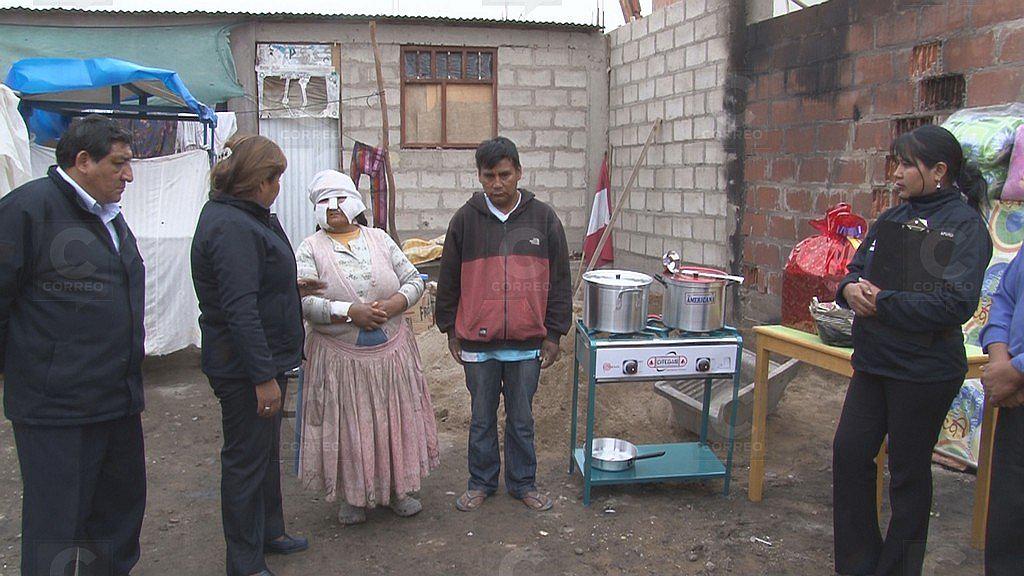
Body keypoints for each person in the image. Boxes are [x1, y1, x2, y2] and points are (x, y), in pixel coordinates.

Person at [832, 124, 992, 576]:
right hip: (875, 363)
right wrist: (849, 290)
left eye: (906, 164)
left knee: (907, 473)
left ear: (939, 171)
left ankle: (898, 568)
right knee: (850, 454)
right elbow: (856, 269)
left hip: (924, 370)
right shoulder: (891, 219)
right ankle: (859, 565)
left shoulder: (964, 227)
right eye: (896, 163)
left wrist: (883, 302)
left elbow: (955, 304)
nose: (896, 174)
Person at [0, 115, 144, 576]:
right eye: (119, 163)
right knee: (57, 529)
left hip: (116, 402)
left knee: (116, 521)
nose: (129, 175)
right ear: (83, 161)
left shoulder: (109, 217)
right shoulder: (28, 210)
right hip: (57, 411)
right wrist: (30, 373)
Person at [191, 135, 311, 576]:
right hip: (244, 368)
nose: (278, 187)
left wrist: (291, 288)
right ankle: (244, 561)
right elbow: (239, 308)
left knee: (265, 453)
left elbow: (257, 284)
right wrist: (262, 377)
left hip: (264, 359)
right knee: (245, 460)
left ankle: (270, 531)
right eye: (275, 179)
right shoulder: (231, 226)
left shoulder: (247, 217)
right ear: (258, 180)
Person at [435, 136, 571, 513]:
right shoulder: (465, 220)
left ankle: (523, 483)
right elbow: (448, 279)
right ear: (479, 176)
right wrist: (450, 330)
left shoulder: (543, 218)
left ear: (519, 173)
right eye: (489, 175)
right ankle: (480, 482)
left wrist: (554, 333)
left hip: (528, 344)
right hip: (478, 344)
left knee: (522, 419)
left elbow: (560, 280)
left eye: (504, 175)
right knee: (481, 418)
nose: (497, 183)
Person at [295, 169, 439, 525]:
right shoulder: (310, 248)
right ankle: (354, 496)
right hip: (340, 361)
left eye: (340, 199)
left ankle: (398, 489)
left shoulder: (379, 239)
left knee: (394, 422)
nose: (333, 207)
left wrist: (394, 305)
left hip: (392, 356)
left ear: (355, 203)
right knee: (348, 427)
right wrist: (349, 312)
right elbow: (302, 301)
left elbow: (414, 280)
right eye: (324, 201)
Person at [979, 249, 1024, 575]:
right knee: (1008, 521)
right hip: (1016, 403)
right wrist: (999, 361)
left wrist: (1017, 372)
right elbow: (1005, 299)